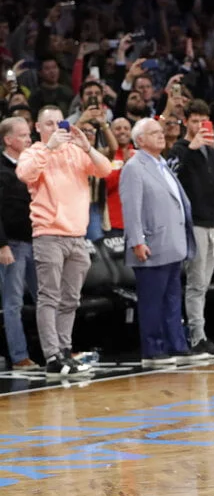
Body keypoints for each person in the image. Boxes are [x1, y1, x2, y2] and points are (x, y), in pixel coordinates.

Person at [16, 105, 112, 377]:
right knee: (49, 297)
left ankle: (65, 349)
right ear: (37, 127)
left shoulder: (75, 152)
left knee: (71, 298)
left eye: (60, 123)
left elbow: (105, 170)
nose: (56, 128)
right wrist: (49, 149)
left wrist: (87, 147)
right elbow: (24, 174)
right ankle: (52, 356)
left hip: (77, 237)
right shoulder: (34, 152)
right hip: (48, 234)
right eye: (49, 124)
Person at [120, 119, 205, 366]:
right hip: (151, 243)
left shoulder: (162, 163)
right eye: (154, 133)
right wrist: (137, 240)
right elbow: (131, 208)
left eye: (160, 132)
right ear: (140, 140)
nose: (161, 135)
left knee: (171, 299)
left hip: (172, 243)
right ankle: (152, 349)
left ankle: (176, 344)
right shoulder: (134, 167)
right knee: (152, 300)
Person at [167, 100, 214, 354]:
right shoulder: (179, 149)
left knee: (203, 283)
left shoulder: (213, 153)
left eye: (203, 121)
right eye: (194, 121)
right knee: (195, 283)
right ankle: (196, 336)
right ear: (186, 122)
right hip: (196, 225)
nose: (199, 126)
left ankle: (200, 332)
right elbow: (171, 176)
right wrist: (190, 150)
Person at [0, 117, 39, 370]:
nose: (29, 139)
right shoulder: (1, 170)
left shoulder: (31, 165)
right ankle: (19, 356)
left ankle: (57, 349)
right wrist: (1, 245)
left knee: (46, 299)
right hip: (12, 244)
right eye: (23, 135)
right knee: (12, 302)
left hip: (37, 240)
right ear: (8, 140)